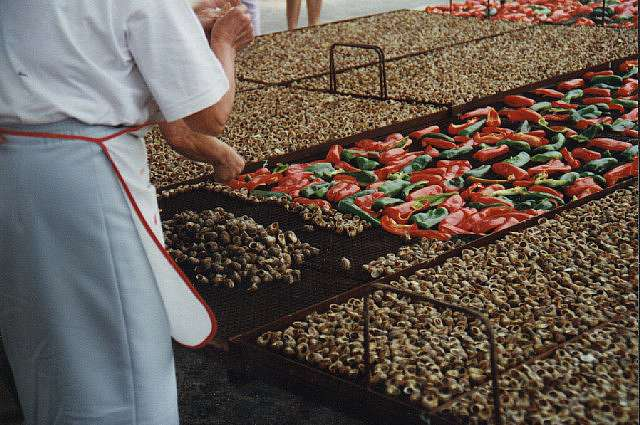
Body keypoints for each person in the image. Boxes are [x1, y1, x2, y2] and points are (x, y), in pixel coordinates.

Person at [0, 1, 252, 424]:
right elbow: (210, 115)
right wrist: (224, 41)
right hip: (83, 181)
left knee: (45, 342)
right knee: (119, 352)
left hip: (15, 163)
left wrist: (185, 24)